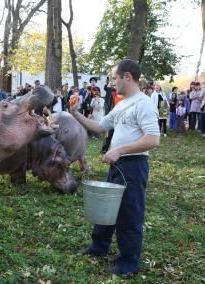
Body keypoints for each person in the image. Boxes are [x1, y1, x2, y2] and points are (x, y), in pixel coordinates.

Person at [71, 59, 160, 276]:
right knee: (106, 207)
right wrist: (75, 114)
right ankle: (98, 247)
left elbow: (153, 139)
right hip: (117, 165)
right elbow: (100, 127)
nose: (113, 82)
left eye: (115, 77)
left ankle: (128, 262)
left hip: (134, 165)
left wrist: (119, 150)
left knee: (129, 213)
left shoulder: (144, 103)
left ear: (127, 76)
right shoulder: (122, 104)